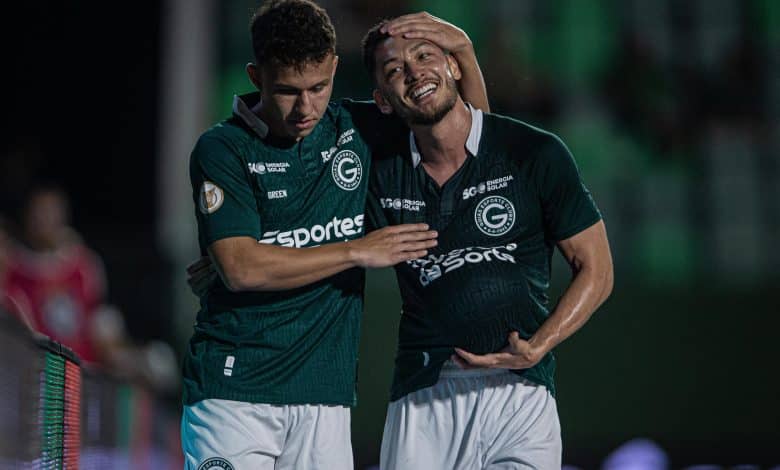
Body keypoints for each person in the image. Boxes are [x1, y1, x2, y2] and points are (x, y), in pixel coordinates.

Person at [179, 2, 489, 469]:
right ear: (256, 76)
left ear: (335, 69)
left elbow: (470, 140)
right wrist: (356, 251)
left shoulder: (356, 127)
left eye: (318, 87)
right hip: (234, 390)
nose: (305, 108)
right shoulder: (222, 148)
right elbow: (241, 269)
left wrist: (463, 49)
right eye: (287, 91)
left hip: (326, 397)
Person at [360, 21, 614, 469]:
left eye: (424, 55)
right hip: (424, 396)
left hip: (521, 394)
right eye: (395, 70)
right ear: (381, 100)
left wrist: (539, 345)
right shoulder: (380, 171)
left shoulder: (533, 152)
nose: (414, 72)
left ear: (454, 66)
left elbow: (598, 269)